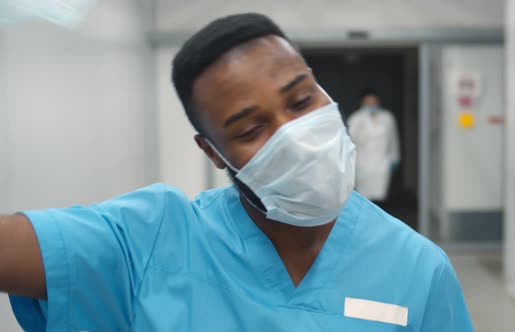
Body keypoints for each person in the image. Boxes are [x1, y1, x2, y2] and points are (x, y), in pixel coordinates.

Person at [0, 13, 473, 331]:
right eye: (252, 128)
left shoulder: (418, 268)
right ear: (213, 152)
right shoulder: (152, 241)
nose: (296, 137)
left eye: (302, 100)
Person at [347, 89, 401, 205]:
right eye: (368, 102)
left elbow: (393, 140)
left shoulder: (387, 117)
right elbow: (349, 141)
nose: (371, 104)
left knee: (380, 196)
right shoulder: (356, 118)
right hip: (362, 163)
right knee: (364, 196)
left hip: (382, 163)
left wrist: (395, 158)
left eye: (374, 101)